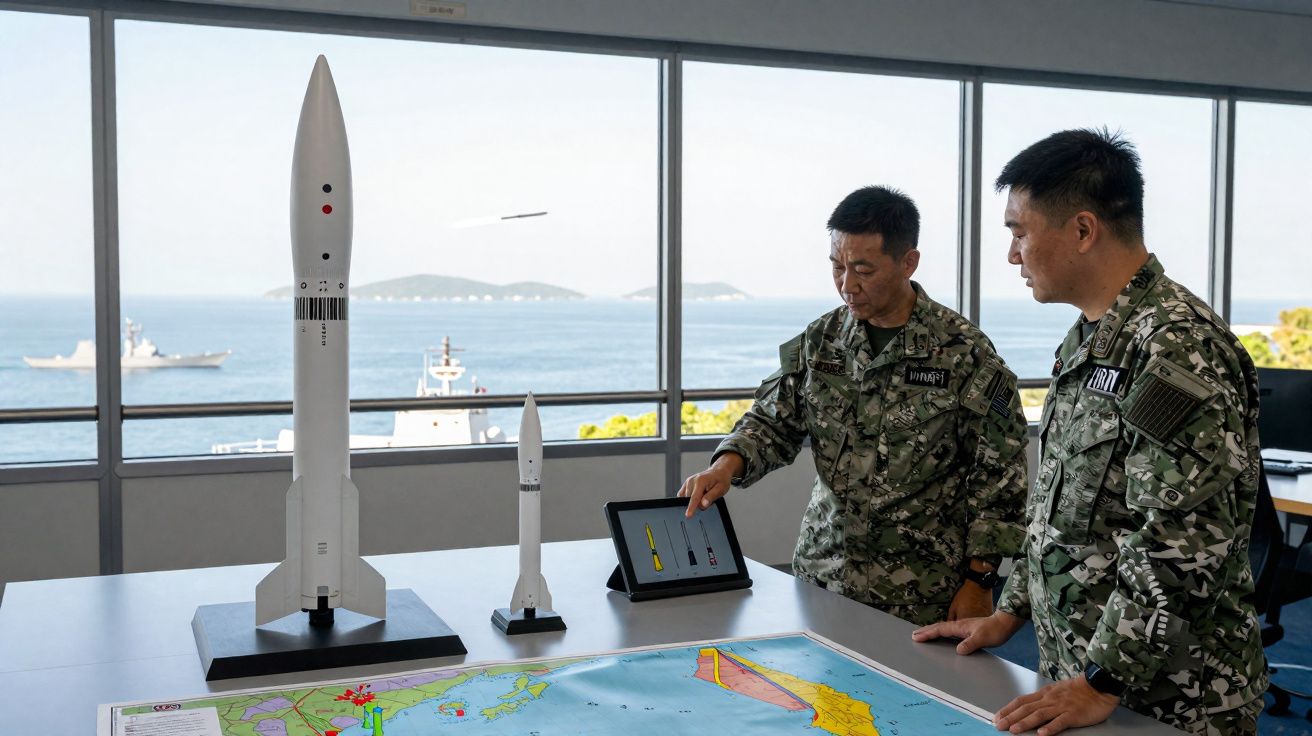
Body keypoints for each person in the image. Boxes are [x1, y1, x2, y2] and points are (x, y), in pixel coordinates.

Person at [912, 129, 1267, 736]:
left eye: (1019, 232)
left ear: (1082, 230)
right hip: (1081, 682)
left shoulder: (1173, 348)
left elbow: (1182, 541)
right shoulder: (1089, 341)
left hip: (1167, 698)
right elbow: (1057, 504)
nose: (1012, 254)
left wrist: (1103, 678)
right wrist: (1013, 611)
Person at [678, 185, 1028, 626]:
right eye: (837, 267)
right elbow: (772, 421)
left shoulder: (963, 352)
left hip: (923, 592)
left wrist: (981, 582)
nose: (847, 285)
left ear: (908, 262)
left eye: (863, 269)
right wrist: (724, 467)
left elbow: (999, 477)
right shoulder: (821, 340)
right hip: (822, 575)